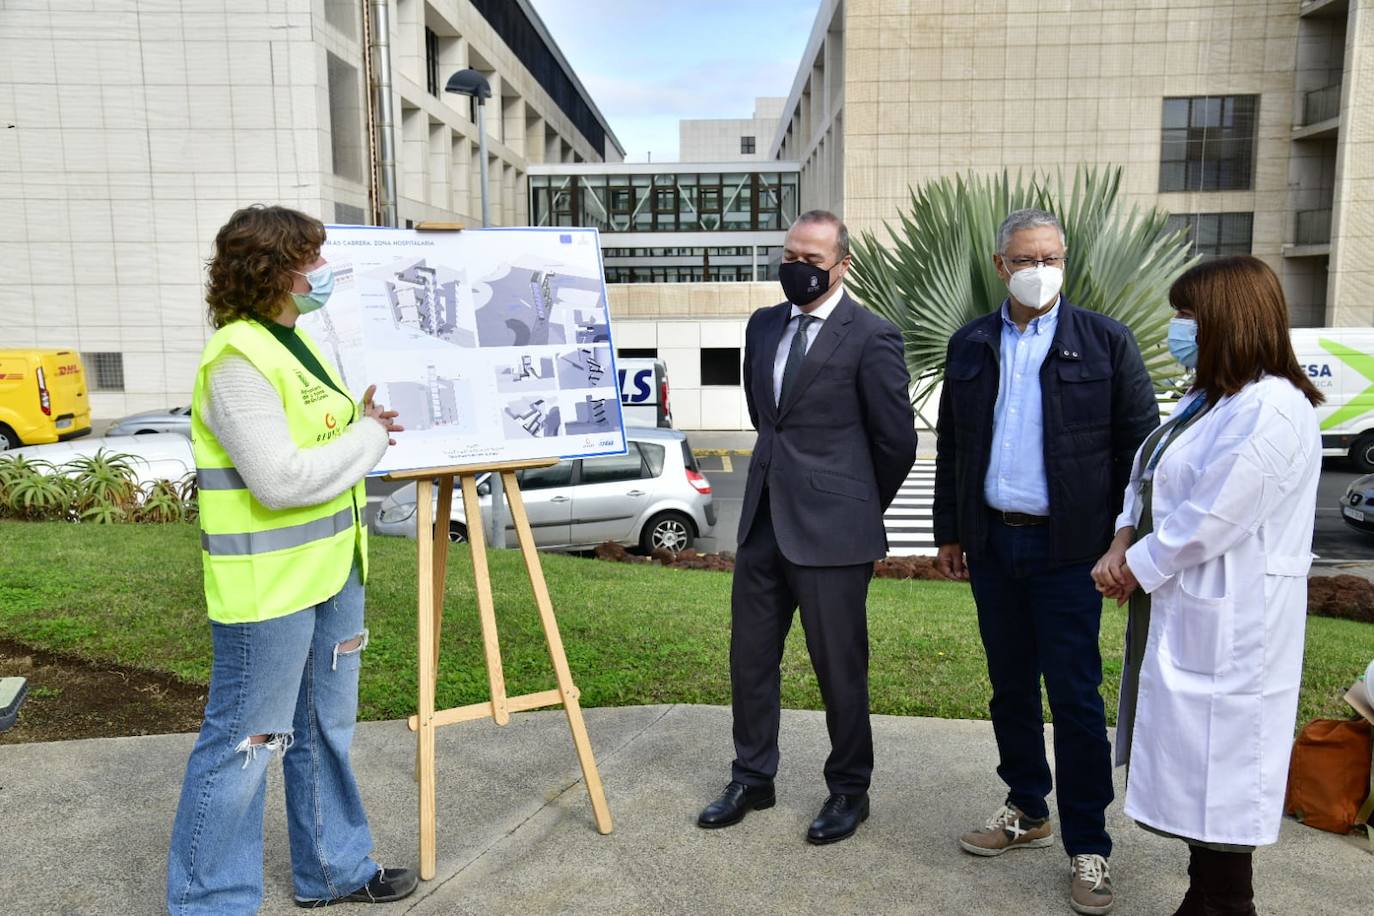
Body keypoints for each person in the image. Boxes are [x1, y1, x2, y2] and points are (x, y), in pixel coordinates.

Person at [167, 205, 414, 914]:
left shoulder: (291, 342)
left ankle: (335, 870)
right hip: (268, 589)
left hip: (331, 575)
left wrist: (355, 424)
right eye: (312, 259)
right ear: (273, 271)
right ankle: (210, 900)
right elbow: (279, 480)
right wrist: (366, 438)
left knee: (322, 730)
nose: (322, 272)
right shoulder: (238, 357)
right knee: (246, 746)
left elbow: (318, 441)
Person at [933, 208, 1158, 915]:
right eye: (1028, 258)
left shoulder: (1106, 342)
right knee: (1008, 687)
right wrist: (950, 531)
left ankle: (1088, 845)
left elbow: (1140, 455)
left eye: (1053, 257)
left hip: (1072, 552)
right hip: (995, 544)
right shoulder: (970, 343)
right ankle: (1027, 807)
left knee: (1076, 698)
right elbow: (950, 448)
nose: (1041, 270)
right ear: (1002, 266)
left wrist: (1126, 543)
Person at [1092, 256, 1324, 916]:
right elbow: (1149, 474)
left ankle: (1223, 904)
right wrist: (1122, 539)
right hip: (1186, 603)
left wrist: (1137, 565)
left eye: (1188, 316)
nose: (1177, 329)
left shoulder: (1273, 409)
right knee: (1197, 772)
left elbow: (1215, 515)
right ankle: (1207, 895)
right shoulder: (1208, 400)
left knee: (1223, 774)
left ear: (1230, 318)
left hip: (1234, 621)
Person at [695, 210, 917, 845]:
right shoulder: (764, 324)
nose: (796, 267)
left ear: (841, 265)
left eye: (812, 260)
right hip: (763, 521)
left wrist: (853, 504)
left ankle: (849, 788)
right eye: (790, 254)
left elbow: (895, 442)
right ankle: (752, 776)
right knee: (750, 659)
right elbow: (767, 415)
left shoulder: (872, 335)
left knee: (838, 667)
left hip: (834, 534)